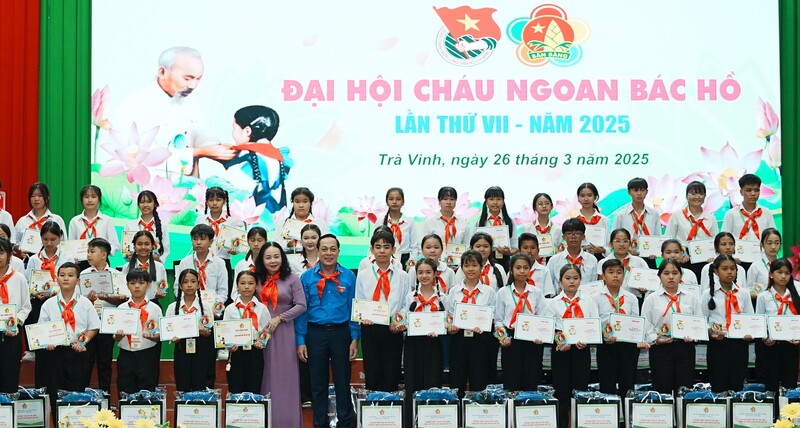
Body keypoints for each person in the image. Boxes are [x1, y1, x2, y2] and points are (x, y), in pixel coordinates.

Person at [112, 46, 235, 178]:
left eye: (198, 79)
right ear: (162, 72)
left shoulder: (191, 102)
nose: (192, 86)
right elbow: (137, 157)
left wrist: (218, 148)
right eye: (187, 78)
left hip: (190, 183)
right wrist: (199, 152)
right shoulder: (134, 105)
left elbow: (199, 131)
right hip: (151, 183)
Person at [295, 234, 359, 428]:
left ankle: (346, 423)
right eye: (324, 249)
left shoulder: (348, 276)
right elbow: (302, 311)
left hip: (341, 333)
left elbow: (353, 308)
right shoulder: (307, 277)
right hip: (316, 334)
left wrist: (354, 337)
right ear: (317, 251)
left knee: (342, 381)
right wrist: (301, 340)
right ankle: (320, 423)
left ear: (339, 252)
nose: (328, 253)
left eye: (333, 249)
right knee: (318, 383)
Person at [254, 242, 307, 427]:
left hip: (285, 332)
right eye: (268, 257)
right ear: (262, 260)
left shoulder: (293, 278)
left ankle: (288, 422)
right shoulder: (256, 278)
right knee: (265, 374)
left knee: (286, 377)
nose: (273, 261)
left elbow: (301, 305)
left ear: (282, 258)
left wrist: (280, 318)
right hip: (261, 333)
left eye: (276, 256)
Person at [38, 263, 100, 418]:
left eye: (70, 275)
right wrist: (47, 342)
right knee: (55, 391)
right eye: (62, 275)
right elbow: (41, 329)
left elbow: (93, 327)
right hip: (55, 354)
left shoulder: (85, 303)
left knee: (77, 392)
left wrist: (82, 342)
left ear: (78, 280)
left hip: (77, 352)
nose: (66, 278)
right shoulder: (49, 304)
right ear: (56, 279)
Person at [355, 230, 409, 392]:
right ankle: (373, 403)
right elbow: (359, 301)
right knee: (372, 370)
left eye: (386, 247)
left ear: (393, 250)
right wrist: (363, 318)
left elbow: (406, 304)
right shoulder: (363, 275)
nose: (382, 251)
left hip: (393, 328)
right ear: (371, 250)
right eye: (378, 247)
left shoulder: (402, 276)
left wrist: (397, 321)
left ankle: (390, 403)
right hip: (370, 327)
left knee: (392, 371)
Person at [546, 263, 599, 428]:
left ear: (580, 280)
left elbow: (594, 325)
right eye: (567, 278)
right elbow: (550, 328)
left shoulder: (588, 301)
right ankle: (562, 424)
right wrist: (561, 341)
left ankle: (580, 423)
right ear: (560, 280)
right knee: (561, 389)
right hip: (561, 350)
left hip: (581, 349)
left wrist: (587, 340)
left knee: (580, 389)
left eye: (576, 278)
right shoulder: (553, 303)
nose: (572, 282)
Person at [641, 259, 703, 395]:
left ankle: (682, 410)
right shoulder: (651, 299)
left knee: (684, 389)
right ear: (659, 276)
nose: (671, 277)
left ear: (681, 276)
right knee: (662, 388)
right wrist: (655, 339)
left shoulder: (691, 298)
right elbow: (646, 323)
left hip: (685, 347)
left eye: (675, 273)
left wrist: (693, 336)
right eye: (666, 273)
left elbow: (698, 321)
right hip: (660, 349)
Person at [445, 250, 498, 398]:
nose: (470, 269)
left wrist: (484, 325)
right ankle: (457, 410)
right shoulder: (454, 291)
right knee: (457, 380)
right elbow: (448, 315)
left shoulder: (489, 292)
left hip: (480, 340)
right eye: (467, 265)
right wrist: (450, 326)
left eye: (474, 265)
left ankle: (477, 410)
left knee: (479, 379)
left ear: (481, 267)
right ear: (462, 268)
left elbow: (493, 316)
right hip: (458, 339)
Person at [592, 259, 646, 398]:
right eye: (611, 272)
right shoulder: (595, 298)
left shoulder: (631, 298)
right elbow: (594, 322)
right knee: (607, 383)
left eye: (619, 272)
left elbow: (636, 322)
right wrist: (604, 336)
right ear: (603, 276)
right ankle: (609, 411)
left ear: (624, 275)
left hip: (628, 346)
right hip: (606, 345)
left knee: (627, 383)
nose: (615, 276)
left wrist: (638, 338)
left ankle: (626, 411)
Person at [701, 254, 754, 393]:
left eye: (732, 268)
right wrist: (711, 331)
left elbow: (750, 317)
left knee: (737, 382)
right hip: (717, 343)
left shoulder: (743, 293)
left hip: (739, 343)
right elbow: (702, 320)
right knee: (718, 382)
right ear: (716, 271)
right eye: (724, 269)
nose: (729, 272)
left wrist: (749, 333)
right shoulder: (708, 294)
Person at [81, 238, 128, 393]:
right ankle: (83, 395)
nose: (88, 255)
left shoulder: (116, 275)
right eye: (88, 251)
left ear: (104, 255)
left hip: (107, 324)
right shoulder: (83, 274)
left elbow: (122, 299)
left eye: (92, 251)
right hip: (88, 326)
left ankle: (105, 397)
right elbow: (78, 301)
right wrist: (88, 299)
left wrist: (106, 297)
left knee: (105, 362)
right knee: (86, 362)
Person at [226, 105, 292, 213]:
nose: (232, 133)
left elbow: (232, 195)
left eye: (234, 128)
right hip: (274, 214)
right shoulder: (278, 158)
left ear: (247, 131)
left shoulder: (244, 159)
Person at [495, 254, 547, 392]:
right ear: (511, 270)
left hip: (532, 339)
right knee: (511, 379)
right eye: (518, 268)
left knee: (531, 378)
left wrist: (541, 335)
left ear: (530, 270)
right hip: (511, 339)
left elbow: (543, 318)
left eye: (525, 268)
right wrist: (503, 337)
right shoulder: (503, 292)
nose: (522, 271)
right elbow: (498, 320)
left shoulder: (536, 292)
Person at [402, 258, 445, 421]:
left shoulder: (443, 298)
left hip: (434, 344)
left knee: (433, 383)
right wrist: (402, 324)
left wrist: (443, 327)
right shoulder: (409, 297)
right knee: (412, 383)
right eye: (420, 272)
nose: (424, 276)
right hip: (413, 344)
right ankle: (412, 421)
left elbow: (448, 320)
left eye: (428, 272)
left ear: (435, 274)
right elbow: (403, 318)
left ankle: (431, 420)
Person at [754, 258, 800, 394]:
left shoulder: (795, 296)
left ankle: (789, 407)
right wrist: (765, 338)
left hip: (791, 345)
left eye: (787, 273)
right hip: (770, 345)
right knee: (771, 384)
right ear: (771, 274)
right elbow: (759, 322)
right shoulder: (764, 296)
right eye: (779, 272)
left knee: (790, 383)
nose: (783, 276)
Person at [113, 268, 161, 395]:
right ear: (127, 285)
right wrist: (118, 336)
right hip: (126, 355)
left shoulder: (155, 309)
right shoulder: (121, 308)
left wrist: (154, 336)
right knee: (125, 391)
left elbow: (160, 334)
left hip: (147, 355)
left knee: (147, 393)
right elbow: (115, 336)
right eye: (133, 283)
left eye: (141, 283)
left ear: (148, 284)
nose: (137, 286)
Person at [166, 269, 215, 391]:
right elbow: (168, 330)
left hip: (201, 348)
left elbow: (210, 331)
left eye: (193, 281)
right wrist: (172, 336)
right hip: (181, 348)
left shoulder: (205, 307)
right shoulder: (172, 307)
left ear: (198, 285)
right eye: (185, 282)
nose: (189, 285)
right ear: (180, 286)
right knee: (182, 383)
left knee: (200, 383)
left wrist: (204, 331)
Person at [223, 271, 269, 393]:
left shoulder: (262, 308)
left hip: (255, 351)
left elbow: (267, 330)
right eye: (242, 283)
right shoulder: (230, 309)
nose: (246, 287)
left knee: (254, 388)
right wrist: (229, 345)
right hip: (236, 352)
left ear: (256, 286)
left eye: (250, 283)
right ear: (237, 286)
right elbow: (224, 332)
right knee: (236, 389)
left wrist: (262, 342)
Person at [721, 174, 776, 271]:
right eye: (749, 190)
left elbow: (773, 237)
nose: (753, 193)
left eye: (756, 190)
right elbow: (724, 239)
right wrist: (730, 258)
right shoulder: (731, 214)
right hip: (737, 261)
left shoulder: (766, 213)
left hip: (761, 260)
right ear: (741, 192)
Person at [664, 181, 718, 279]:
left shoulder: (711, 218)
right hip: (682, 257)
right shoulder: (677, 215)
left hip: (704, 259)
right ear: (686, 196)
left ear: (705, 196)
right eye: (693, 193)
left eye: (700, 193)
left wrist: (712, 255)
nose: (697, 197)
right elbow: (669, 239)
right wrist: (680, 254)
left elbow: (715, 241)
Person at [0, 238, 31, 392]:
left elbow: (26, 306)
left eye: (1, 253)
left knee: (10, 375)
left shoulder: (18, 278)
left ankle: (8, 404)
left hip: (12, 334)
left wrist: (16, 322)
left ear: (9, 255)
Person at [174, 224, 228, 310]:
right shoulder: (184, 262)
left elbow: (223, 291)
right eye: (195, 239)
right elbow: (177, 288)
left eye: (202, 239)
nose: (198, 242)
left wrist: (215, 308)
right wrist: (187, 305)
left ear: (210, 242)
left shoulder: (219, 263)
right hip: (189, 308)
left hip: (213, 308)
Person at [612, 178, 662, 268]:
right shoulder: (621, 214)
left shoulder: (654, 213)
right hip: (628, 256)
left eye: (642, 190)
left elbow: (658, 236)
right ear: (629, 192)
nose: (639, 193)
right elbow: (614, 236)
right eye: (635, 190)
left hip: (649, 257)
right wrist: (627, 249)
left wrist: (655, 251)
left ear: (647, 192)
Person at [597, 229, 649, 304]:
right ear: (611, 244)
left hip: (634, 300)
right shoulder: (603, 262)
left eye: (625, 241)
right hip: (609, 300)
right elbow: (601, 284)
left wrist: (643, 288)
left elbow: (646, 283)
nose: (621, 244)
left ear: (630, 243)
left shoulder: (639, 262)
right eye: (618, 241)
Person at [14, 183, 66, 255]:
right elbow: (14, 243)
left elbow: (64, 243)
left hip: (52, 258)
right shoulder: (22, 221)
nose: (36, 199)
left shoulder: (57, 220)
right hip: (29, 259)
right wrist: (20, 250)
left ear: (47, 197)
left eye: (40, 196)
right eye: (33, 196)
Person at [546, 218, 598, 291]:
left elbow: (594, 285)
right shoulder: (554, 260)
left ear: (583, 237)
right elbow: (548, 286)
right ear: (563, 237)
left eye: (577, 233)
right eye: (569, 233)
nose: (573, 237)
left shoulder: (592, 260)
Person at [67, 185, 120, 256]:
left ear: (99, 200)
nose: (90, 200)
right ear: (81, 200)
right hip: (80, 260)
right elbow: (70, 245)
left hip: (101, 259)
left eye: (93, 197)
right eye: (86, 197)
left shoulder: (107, 220)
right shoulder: (75, 221)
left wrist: (104, 253)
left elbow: (115, 244)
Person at [474, 186, 517, 270]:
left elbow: (515, 246)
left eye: (498, 199)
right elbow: (474, 244)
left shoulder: (509, 221)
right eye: (491, 199)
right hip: (484, 261)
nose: (495, 202)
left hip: (505, 261)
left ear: (503, 201)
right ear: (486, 202)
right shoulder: (480, 221)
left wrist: (509, 252)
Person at [275, 187, 330, 253]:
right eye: (297, 202)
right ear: (293, 203)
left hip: (313, 258)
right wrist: (288, 244)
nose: (301, 205)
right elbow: (276, 246)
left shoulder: (320, 223)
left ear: (311, 203)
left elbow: (325, 246)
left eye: (305, 201)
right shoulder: (283, 223)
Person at [121, 231, 168, 303]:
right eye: (139, 244)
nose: (143, 247)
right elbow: (124, 289)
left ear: (152, 246)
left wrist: (161, 293)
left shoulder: (159, 267)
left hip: (153, 304)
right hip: (131, 304)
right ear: (134, 246)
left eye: (147, 244)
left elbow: (163, 289)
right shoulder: (127, 267)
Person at [123, 190, 170, 263]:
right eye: (142, 202)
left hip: (155, 266)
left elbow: (166, 250)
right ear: (138, 205)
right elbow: (126, 251)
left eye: (149, 202)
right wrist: (128, 255)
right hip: (135, 266)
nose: (145, 205)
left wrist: (158, 259)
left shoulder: (162, 226)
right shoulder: (130, 225)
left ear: (155, 204)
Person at [382, 188, 419, 269]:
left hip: (405, 260)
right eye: (391, 199)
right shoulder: (381, 222)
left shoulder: (409, 222)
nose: (394, 202)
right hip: (385, 258)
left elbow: (414, 245)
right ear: (387, 202)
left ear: (403, 202)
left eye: (398, 199)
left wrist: (411, 262)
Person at [521, 193, 562, 263]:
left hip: (552, 264)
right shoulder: (527, 228)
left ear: (552, 206)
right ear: (534, 208)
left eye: (547, 203)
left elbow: (560, 249)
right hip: (532, 264)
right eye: (540, 204)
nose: (544, 206)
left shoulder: (558, 229)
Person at [231, 227, 268, 299]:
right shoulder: (241, 265)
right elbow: (235, 292)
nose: (256, 244)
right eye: (252, 240)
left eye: (260, 240)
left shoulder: (269, 264)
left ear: (265, 241)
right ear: (248, 242)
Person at [575, 183, 609, 260]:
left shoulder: (603, 220)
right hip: (578, 258)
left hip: (599, 258)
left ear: (595, 197)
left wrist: (602, 250)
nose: (586, 199)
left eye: (589, 195)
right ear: (578, 198)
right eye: (582, 196)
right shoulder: (574, 219)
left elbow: (608, 244)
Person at [518, 233, 556, 297]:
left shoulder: (544, 271)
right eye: (525, 248)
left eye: (533, 248)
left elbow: (548, 295)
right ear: (519, 251)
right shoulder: (514, 271)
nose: (529, 251)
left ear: (538, 251)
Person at [746, 228, 781, 293]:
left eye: (777, 243)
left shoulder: (783, 265)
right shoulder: (755, 266)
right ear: (762, 244)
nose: (773, 247)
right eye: (769, 243)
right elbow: (749, 290)